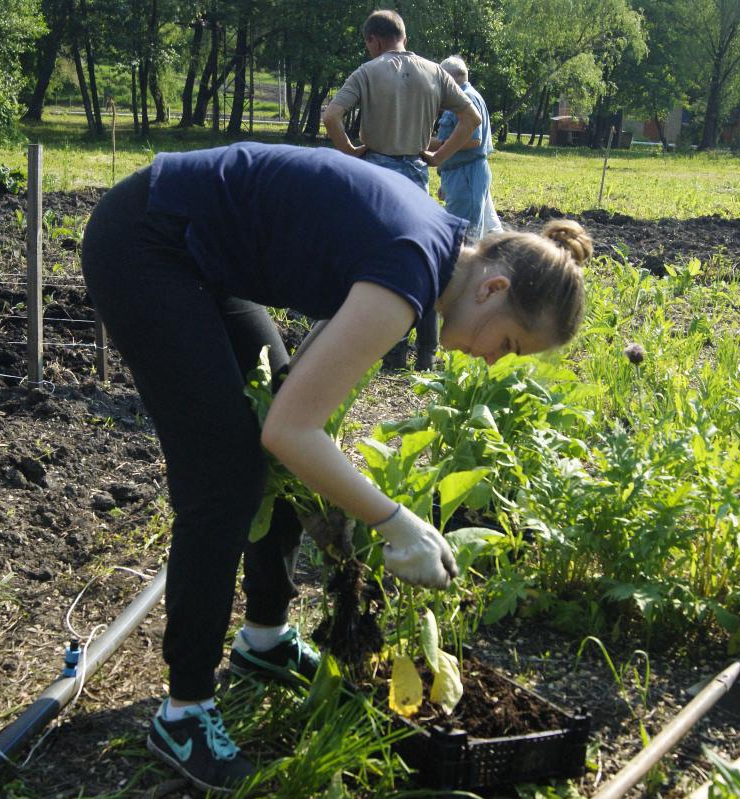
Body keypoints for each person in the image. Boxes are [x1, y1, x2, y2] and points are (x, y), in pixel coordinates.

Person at [81, 141, 590, 794]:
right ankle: (184, 711)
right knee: (226, 475)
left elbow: (296, 397)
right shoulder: (412, 270)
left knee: (273, 424)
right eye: (509, 345)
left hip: (192, 246)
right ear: (493, 288)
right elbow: (290, 428)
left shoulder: (431, 251)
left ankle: (264, 635)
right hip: (146, 241)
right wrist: (392, 520)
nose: (495, 361)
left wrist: (323, 454)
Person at [322, 9, 482, 371]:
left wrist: (349, 150)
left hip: (376, 174)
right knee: (419, 255)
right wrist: (438, 156)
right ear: (403, 36)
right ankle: (425, 351)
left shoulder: (368, 71)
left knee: (380, 261)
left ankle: (390, 349)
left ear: (374, 40)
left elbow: (332, 116)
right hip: (414, 173)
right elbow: (470, 119)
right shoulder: (436, 72)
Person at [431, 55, 503, 243]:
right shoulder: (460, 99)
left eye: (440, 79)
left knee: (463, 238)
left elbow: (473, 140)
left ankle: (464, 272)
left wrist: (429, 144)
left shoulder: (467, 98)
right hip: (462, 175)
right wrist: (447, 180)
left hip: (466, 176)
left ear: (448, 78)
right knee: (488, 232)